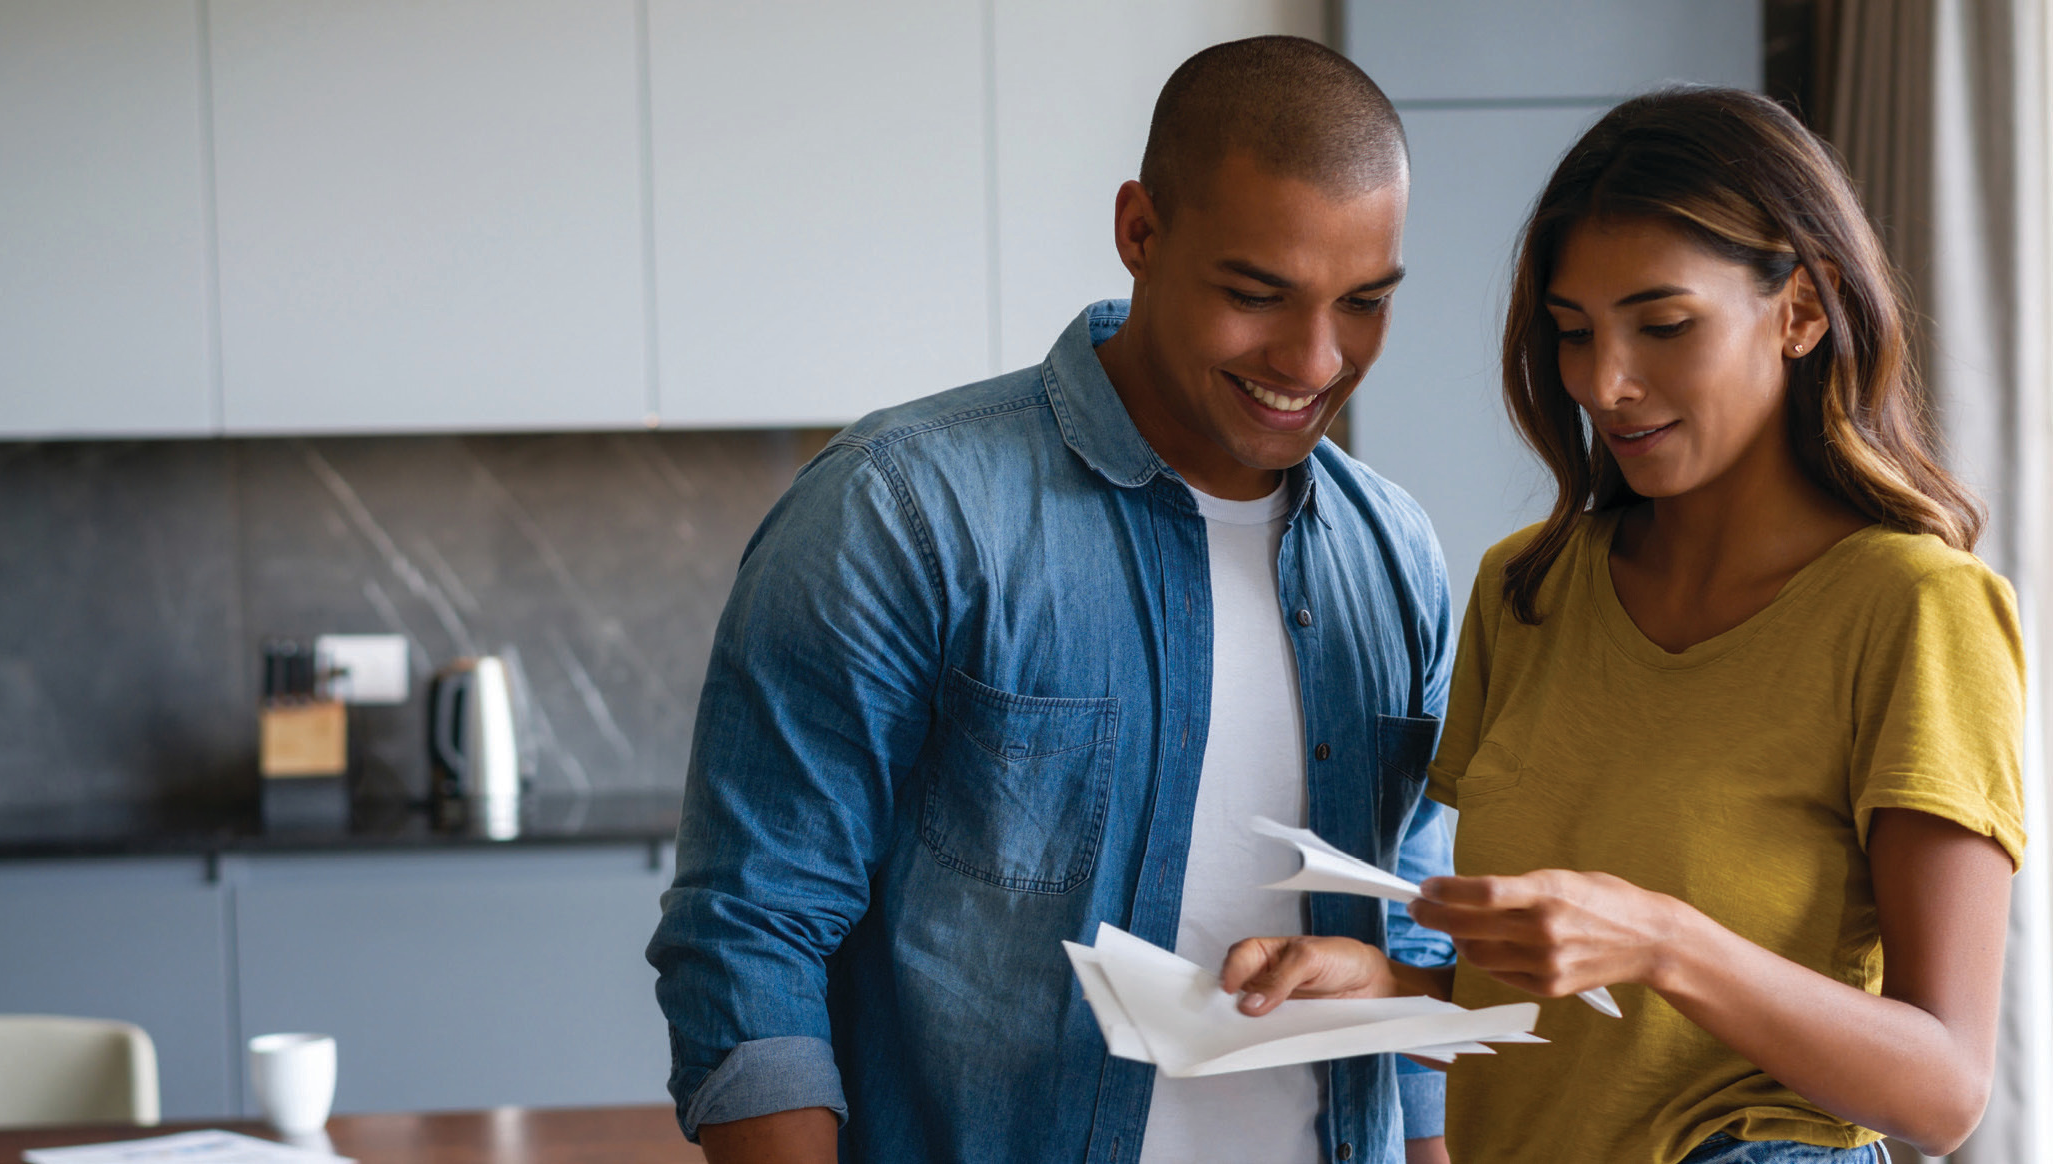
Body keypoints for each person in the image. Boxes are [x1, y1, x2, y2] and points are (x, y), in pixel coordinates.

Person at [648, 36, 1461, 1164]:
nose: (1314, 358)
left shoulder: (1395, 553)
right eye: (1253, 293)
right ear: (1138, 230)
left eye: (1363, 302)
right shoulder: (900, 511)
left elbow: (1408, 900)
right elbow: (746, 935)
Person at [1220, 87, 2025, 1164]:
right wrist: (1387, 987)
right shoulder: (1527, 590)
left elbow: (1943, 1090)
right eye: (1570, 332)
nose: (1604, 382)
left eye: (1663, 325)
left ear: (1800, 309)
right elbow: (1560, 1026)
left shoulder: (1915, 609)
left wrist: (1660, 940)